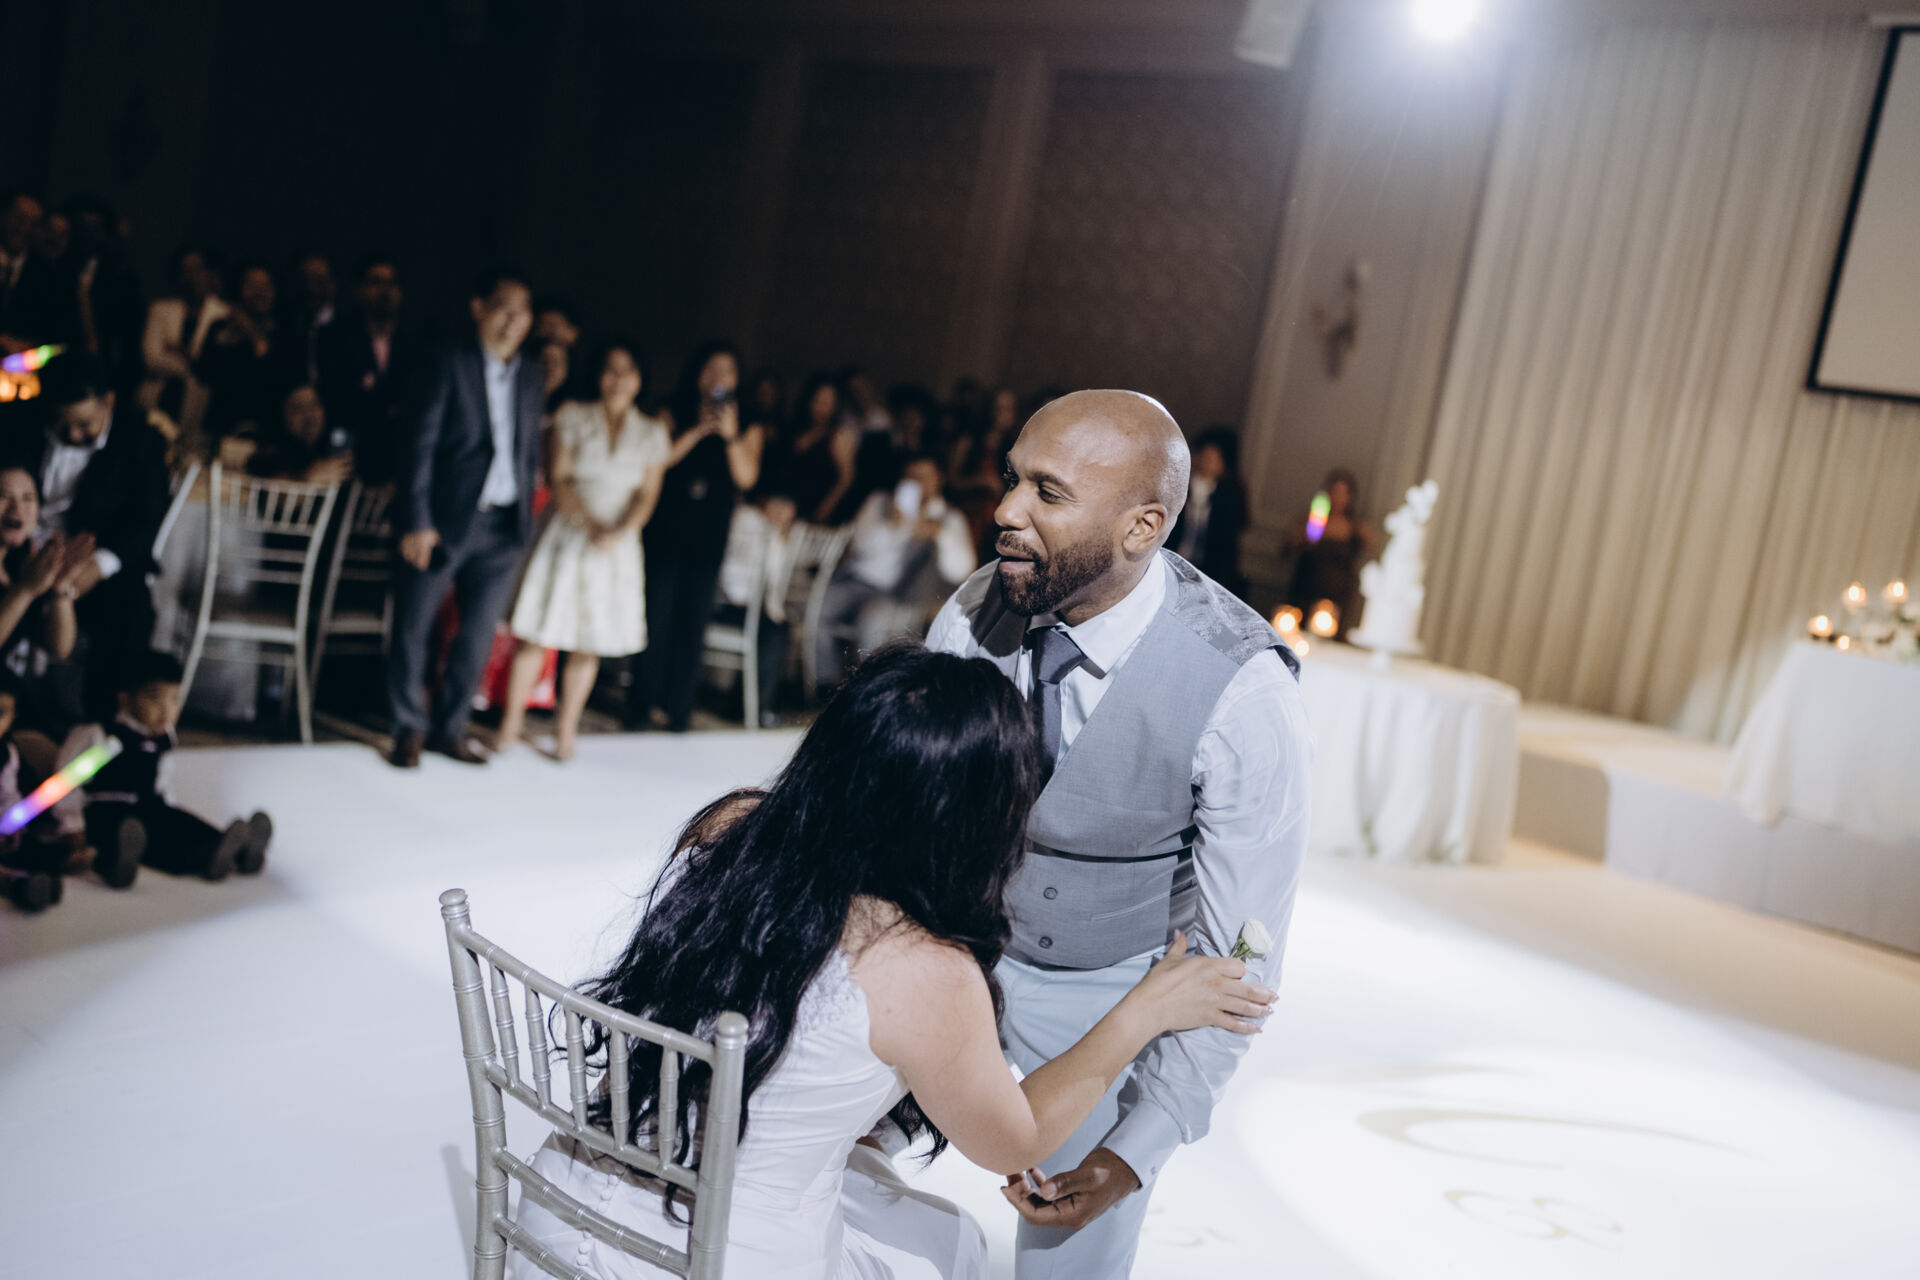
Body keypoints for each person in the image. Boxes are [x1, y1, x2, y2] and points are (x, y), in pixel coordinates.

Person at [507, 644, 1273, 1278]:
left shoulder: (732, 828)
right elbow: (1015, 1140)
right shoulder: (921, 967)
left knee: (898, 1207)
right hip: (710, 1255)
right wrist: (1146, 1008)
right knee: (949, 1246)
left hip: (557, 1212)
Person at [926, 389, 1310, 1278]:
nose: (1006, 511)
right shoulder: (979, 606)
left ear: (1143, 528)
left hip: (1109, 990)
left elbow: (1237, 962)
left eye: (1047, 493)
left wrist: (1138, 1148)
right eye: (1013, 478)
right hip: (948, 950)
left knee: (1070, 1257)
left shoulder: (1243, 692)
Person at [385, 266, 542, 768]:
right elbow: (418, 446)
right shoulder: (447, 363)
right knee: (414, 625)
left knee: (477, 634)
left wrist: (525, 521)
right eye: (503, 309)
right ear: (479, 309)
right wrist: (417, 520)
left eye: (522, 312)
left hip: (505, 525)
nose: (513, 321)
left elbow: (527, 449)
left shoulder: (532, 374)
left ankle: (448, 728)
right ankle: (407, 726)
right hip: (444, 519)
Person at [497, 340, 669, 760]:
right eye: (611, 369)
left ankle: (566, 731)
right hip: (570, 532)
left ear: (639, 379)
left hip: (618, 544)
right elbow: (560, 478)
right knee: (539, 631)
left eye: (628, 371)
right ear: (598, 375)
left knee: (589, 639)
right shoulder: (573, 415)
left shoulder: (652, 431)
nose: (618, 379)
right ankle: (510, 725)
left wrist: (620, 530)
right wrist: (590, 523)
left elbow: (648, 494)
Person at [30, 354, 173, 724]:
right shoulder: (20, 426)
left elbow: (145, 521)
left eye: (84, 424)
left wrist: (96, 567)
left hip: (96, 563)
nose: (74, 435)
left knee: (130, 610)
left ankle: (104, 721)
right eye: (62, 424)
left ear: (108, 401)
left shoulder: (141, 443)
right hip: (23, 553)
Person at [628, 341, 763, 733]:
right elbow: (658, 461)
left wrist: (730, 436)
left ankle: (679, 711)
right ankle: (640, 706)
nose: (719, 377)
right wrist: (697, 430)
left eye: (727, 371)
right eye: (711, 368)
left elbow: (747, 478)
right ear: (698, 372)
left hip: (710, 533)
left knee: (693, 621)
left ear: (737, 379)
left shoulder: (748, 423)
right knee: (656, 616)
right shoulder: (673, 410)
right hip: (668, 525)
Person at [51, 650, 271, 884]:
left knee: (180, 824)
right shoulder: (104, 739)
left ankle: (239, 849)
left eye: (175, 700)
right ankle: (125, 861)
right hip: (107, 810)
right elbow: (66, 781)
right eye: (155, 699)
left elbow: (162, 779)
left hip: (151, 805)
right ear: (125, 699)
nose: (166, 711)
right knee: (145, 838)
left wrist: (169, 811)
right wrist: (72, 824)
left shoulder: (165, 739)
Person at [816, 454, 976, 687]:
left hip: (903, 596)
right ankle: (826, 683)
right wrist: (893, 525)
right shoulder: (879, 501)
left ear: (938, 480)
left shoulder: (949, 518)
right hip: (858, 582)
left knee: (873, 621)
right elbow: (859, 546)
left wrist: (939, 535)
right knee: (817, 607)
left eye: (925, 477)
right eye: (912, 477)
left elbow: (961, 569)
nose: (918, 483)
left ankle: (868, 689)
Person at [0, 464, 94, 708]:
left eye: (28, 498)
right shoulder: (27, 577)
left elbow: (58, 647)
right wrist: (25, 591)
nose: (17, 508)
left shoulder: (21, 565)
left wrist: (61, 587)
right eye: (3, 496)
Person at [315, 252, 413, 484]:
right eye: (376, 282)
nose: (385, 291)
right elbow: (337, 399)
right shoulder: (334, 337)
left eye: (391, 283)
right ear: (359, 290)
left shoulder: (413, 345)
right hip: (347, 461)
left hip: (398, 464)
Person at [137, 244, 227, 440]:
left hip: (196, 405)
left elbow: (213, 368)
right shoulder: (160, 309)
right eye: (186, 270)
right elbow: (151, 358)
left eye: (198, 269)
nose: (192, 277)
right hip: (157, 396)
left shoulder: (222, 313)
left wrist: (179, 352)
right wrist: (194, 362)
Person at [1283, 466, 1376, 635]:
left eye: (1342, 493)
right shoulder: (1312, 521)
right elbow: (1288, 549)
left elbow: (1371, 550)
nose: (1337, 498)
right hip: (1307, 588)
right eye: (1334, 492)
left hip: (1336, 595)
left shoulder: (1355, 527)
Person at [1168, 425, 1250, 600]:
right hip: (1173, 562)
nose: (1208, 463)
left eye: (1214, 459)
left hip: (1207, 570)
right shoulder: (1180, 486)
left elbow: (1228, 540)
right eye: (1205, 457)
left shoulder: (1228, 495)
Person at [245, 384, 355, 487]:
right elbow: (270, 490)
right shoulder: (268, 455)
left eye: (314, 405)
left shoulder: (333, 450)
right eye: (298, 408)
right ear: (282, 415)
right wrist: (306, 481)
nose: (309, 416)